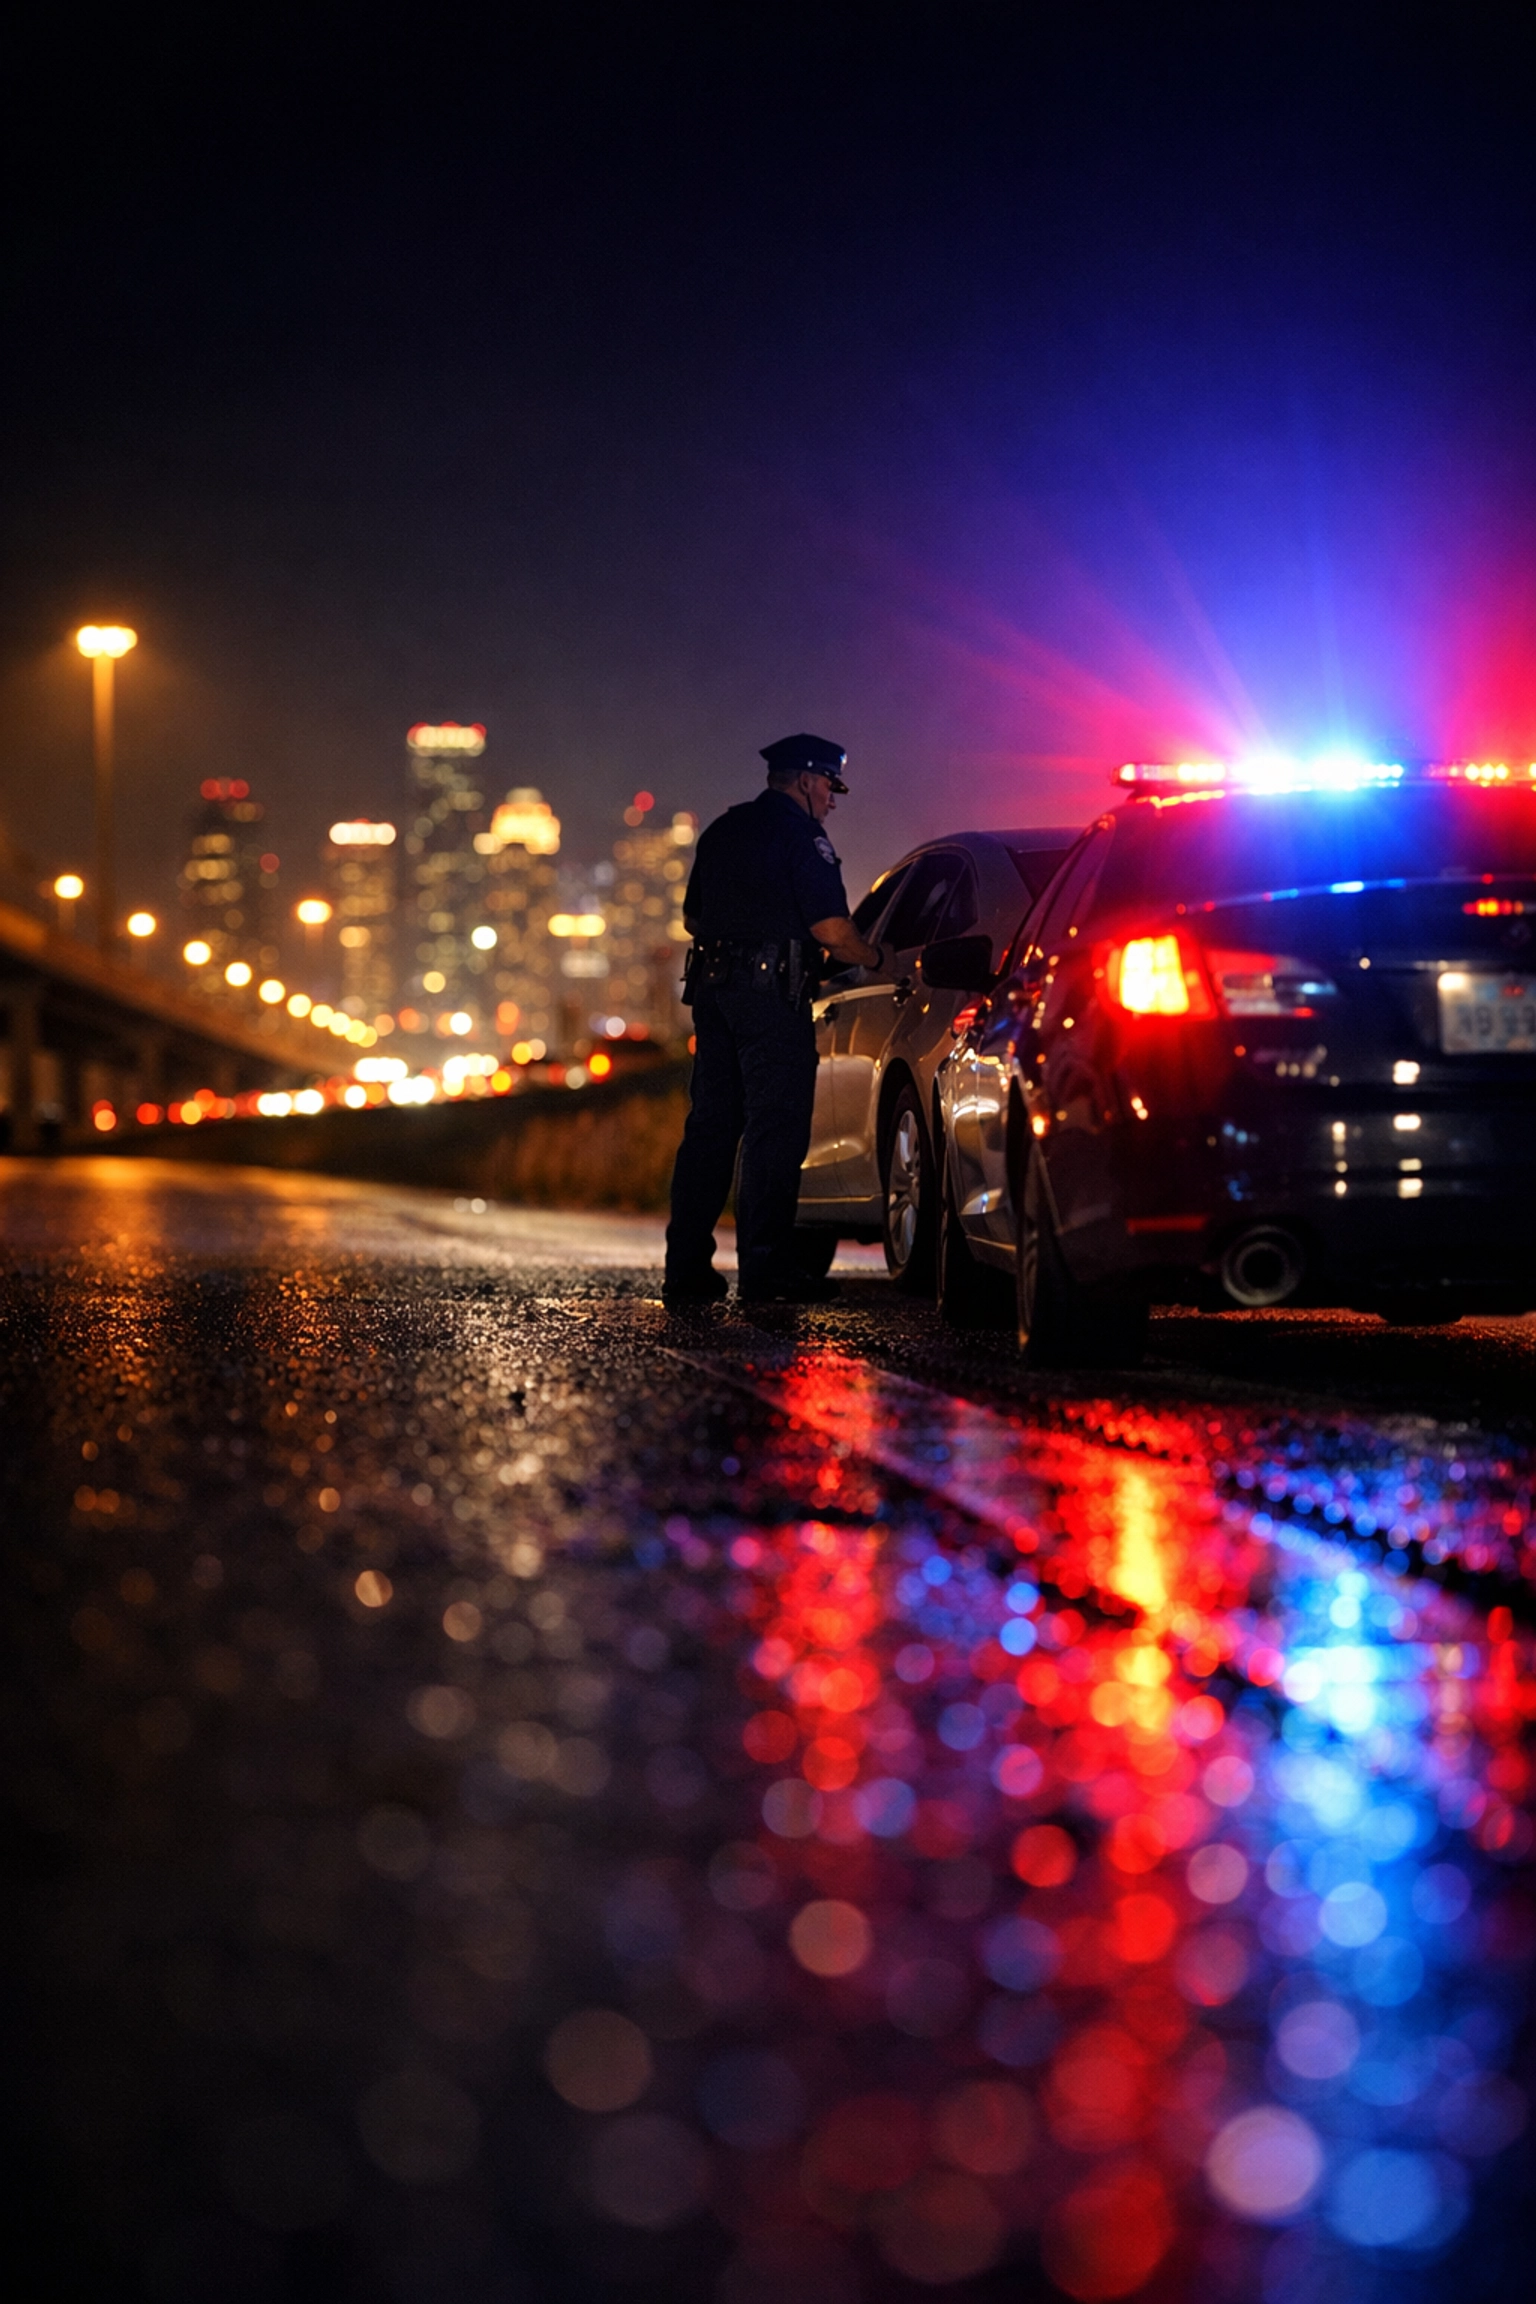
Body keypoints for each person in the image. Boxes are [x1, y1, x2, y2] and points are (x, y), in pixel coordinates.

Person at [664, 732, 882, 1304]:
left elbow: (693, 917)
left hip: (713, 997)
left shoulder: (722, 831)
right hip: (771, 1000)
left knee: (710, 1129)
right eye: (830, 787)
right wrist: (876, 957)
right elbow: (831, 929)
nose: (833, 800)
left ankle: (685, 1270)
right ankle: (765, 1271)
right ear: (807, 781)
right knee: (774, 1128)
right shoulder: (803, 836)